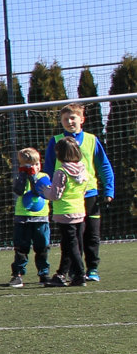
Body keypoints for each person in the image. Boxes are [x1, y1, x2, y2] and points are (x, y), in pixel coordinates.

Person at [43, 104, 115, 282]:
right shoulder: (56, 141)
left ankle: (92, 269)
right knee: (71, 236)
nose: (69, 122)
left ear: (82, 119)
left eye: (73, 118)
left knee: (92, 233)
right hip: (66, 197)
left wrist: (108, 189)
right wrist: (47, 190)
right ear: (61, 122)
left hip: (89, 193)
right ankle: (73, 271)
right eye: (65, 119)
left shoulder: (91, 140)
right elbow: (48, 168)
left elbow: (103, 165)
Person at [46, 137, 90, 287]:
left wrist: (44, 190)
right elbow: (84, 189)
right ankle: (61, 274)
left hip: (65, 212)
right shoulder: (83, 169)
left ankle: (79, 274)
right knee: (70, 243)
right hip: (79, 211)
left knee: (71, 245)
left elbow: (55, 195)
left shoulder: (61, 171)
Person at [8, 148, 53, 288]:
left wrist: (33, 177)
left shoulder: (44, 176)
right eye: (29, 165)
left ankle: (44, 273)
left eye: (36, 164)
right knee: (21, 248)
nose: (34, 167)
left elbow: (38, 191)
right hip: (22, 218)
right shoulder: (19, 177)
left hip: (40, 218)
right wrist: (23, 175)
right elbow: (18, 191)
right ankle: (17, 274)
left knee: (42, 247)